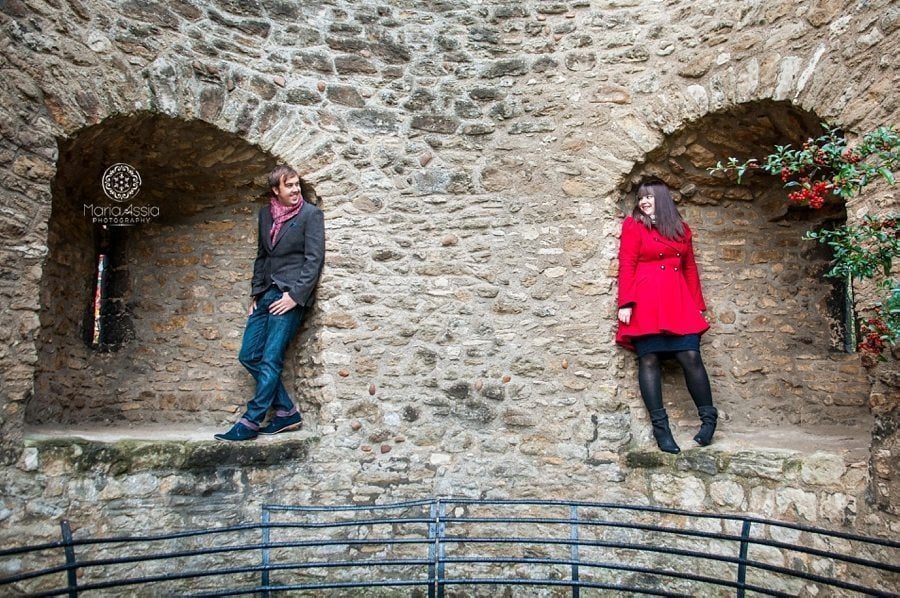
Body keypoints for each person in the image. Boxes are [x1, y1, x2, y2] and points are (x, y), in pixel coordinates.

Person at [215, 165, 325, 441]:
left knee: (271, 358)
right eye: (289, 186)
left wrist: (295, 297)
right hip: (266, 295)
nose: (296, 190)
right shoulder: (266, 215)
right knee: (249, 355)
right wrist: (256, 293)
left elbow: (314, 260)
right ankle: (286, 412)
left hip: (289, 296)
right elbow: (262, 256)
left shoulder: (311, 215)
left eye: (297, 184)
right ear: (276, 190)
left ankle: (251, 421)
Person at [615, 179, 718, 454]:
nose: (644, 202)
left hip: (678, 300)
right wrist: (625, 302)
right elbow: (627, 263)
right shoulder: (633, 225)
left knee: (691, 356)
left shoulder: (681, 229)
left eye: (649, 197)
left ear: (662, 198)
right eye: (640, 198)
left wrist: (697, 306)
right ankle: (662, 431)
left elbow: (690, 268)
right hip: (645, 301)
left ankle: (709, 420)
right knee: (648, 359)